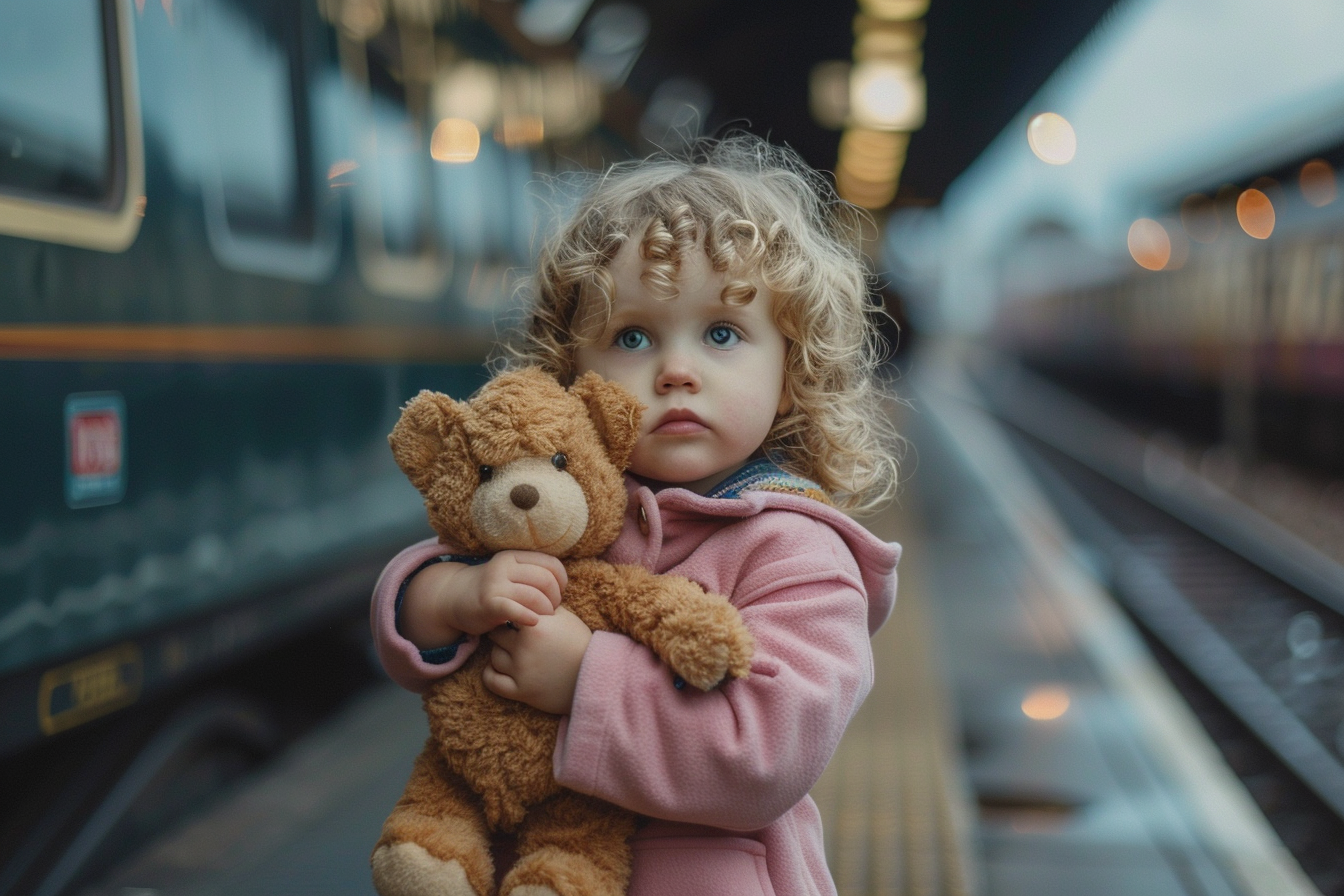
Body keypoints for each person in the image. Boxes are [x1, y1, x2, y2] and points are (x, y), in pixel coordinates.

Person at [370, 133, 903, 896]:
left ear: (791, 373)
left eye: (723, 333)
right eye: (632, 336)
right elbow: (427, 610)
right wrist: (448, 598)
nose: (676, 370)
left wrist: (585, 677)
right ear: (575, 376)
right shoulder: (560, 505)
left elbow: (767, 757)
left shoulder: (799, 552)